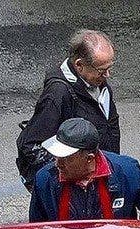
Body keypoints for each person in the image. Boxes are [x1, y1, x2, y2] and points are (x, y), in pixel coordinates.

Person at [16, 29, 121, 189]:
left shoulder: (95, 81)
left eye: (109, 67)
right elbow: (30, 145)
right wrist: (69, 175)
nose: (107, 75)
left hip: (100, 175)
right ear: (79, 65)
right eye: (101, 70)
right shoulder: (58, 94)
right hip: (75, 184)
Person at [29, 118, 140, 222]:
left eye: (66, 158)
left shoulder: (127, 171)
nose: (58, 164)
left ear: (89, 159)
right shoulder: (44, 179)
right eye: (57, 156)